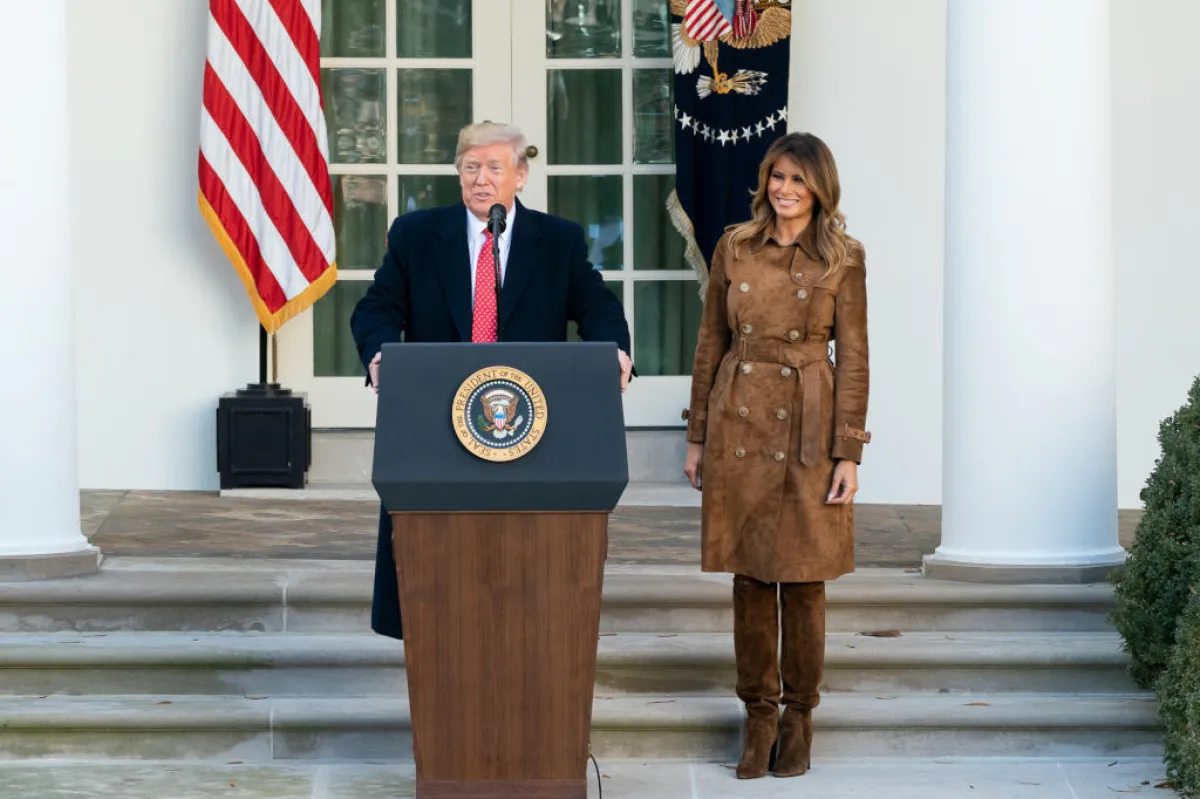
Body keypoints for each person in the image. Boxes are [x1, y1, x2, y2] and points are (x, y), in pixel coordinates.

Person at [350, 121, 634, 642]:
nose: (481, 179)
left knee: (520, 558)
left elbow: (596, 305)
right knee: (438, 559)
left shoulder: (558, 240)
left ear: (520, 176)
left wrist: (614, 349)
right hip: (436, 423)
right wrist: (379, 354)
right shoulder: (417, 235)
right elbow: (378, 307)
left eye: (494, 168)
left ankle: (530, 634)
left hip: (530, 427)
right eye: (471, 167)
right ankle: (433, 637)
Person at [681, 132, 870, 779]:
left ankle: (799, 718)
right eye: (777, 177)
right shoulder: (734, 245)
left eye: (798, 180)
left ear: (820, 188)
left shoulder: (843, 256)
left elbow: (855, 358)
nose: (785, 190)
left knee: (805, 578)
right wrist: (697, 435)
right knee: (751, 577)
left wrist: (848, 452)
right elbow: (710, 341)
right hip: (739, 416)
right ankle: (758, 716)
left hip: (810, 428)